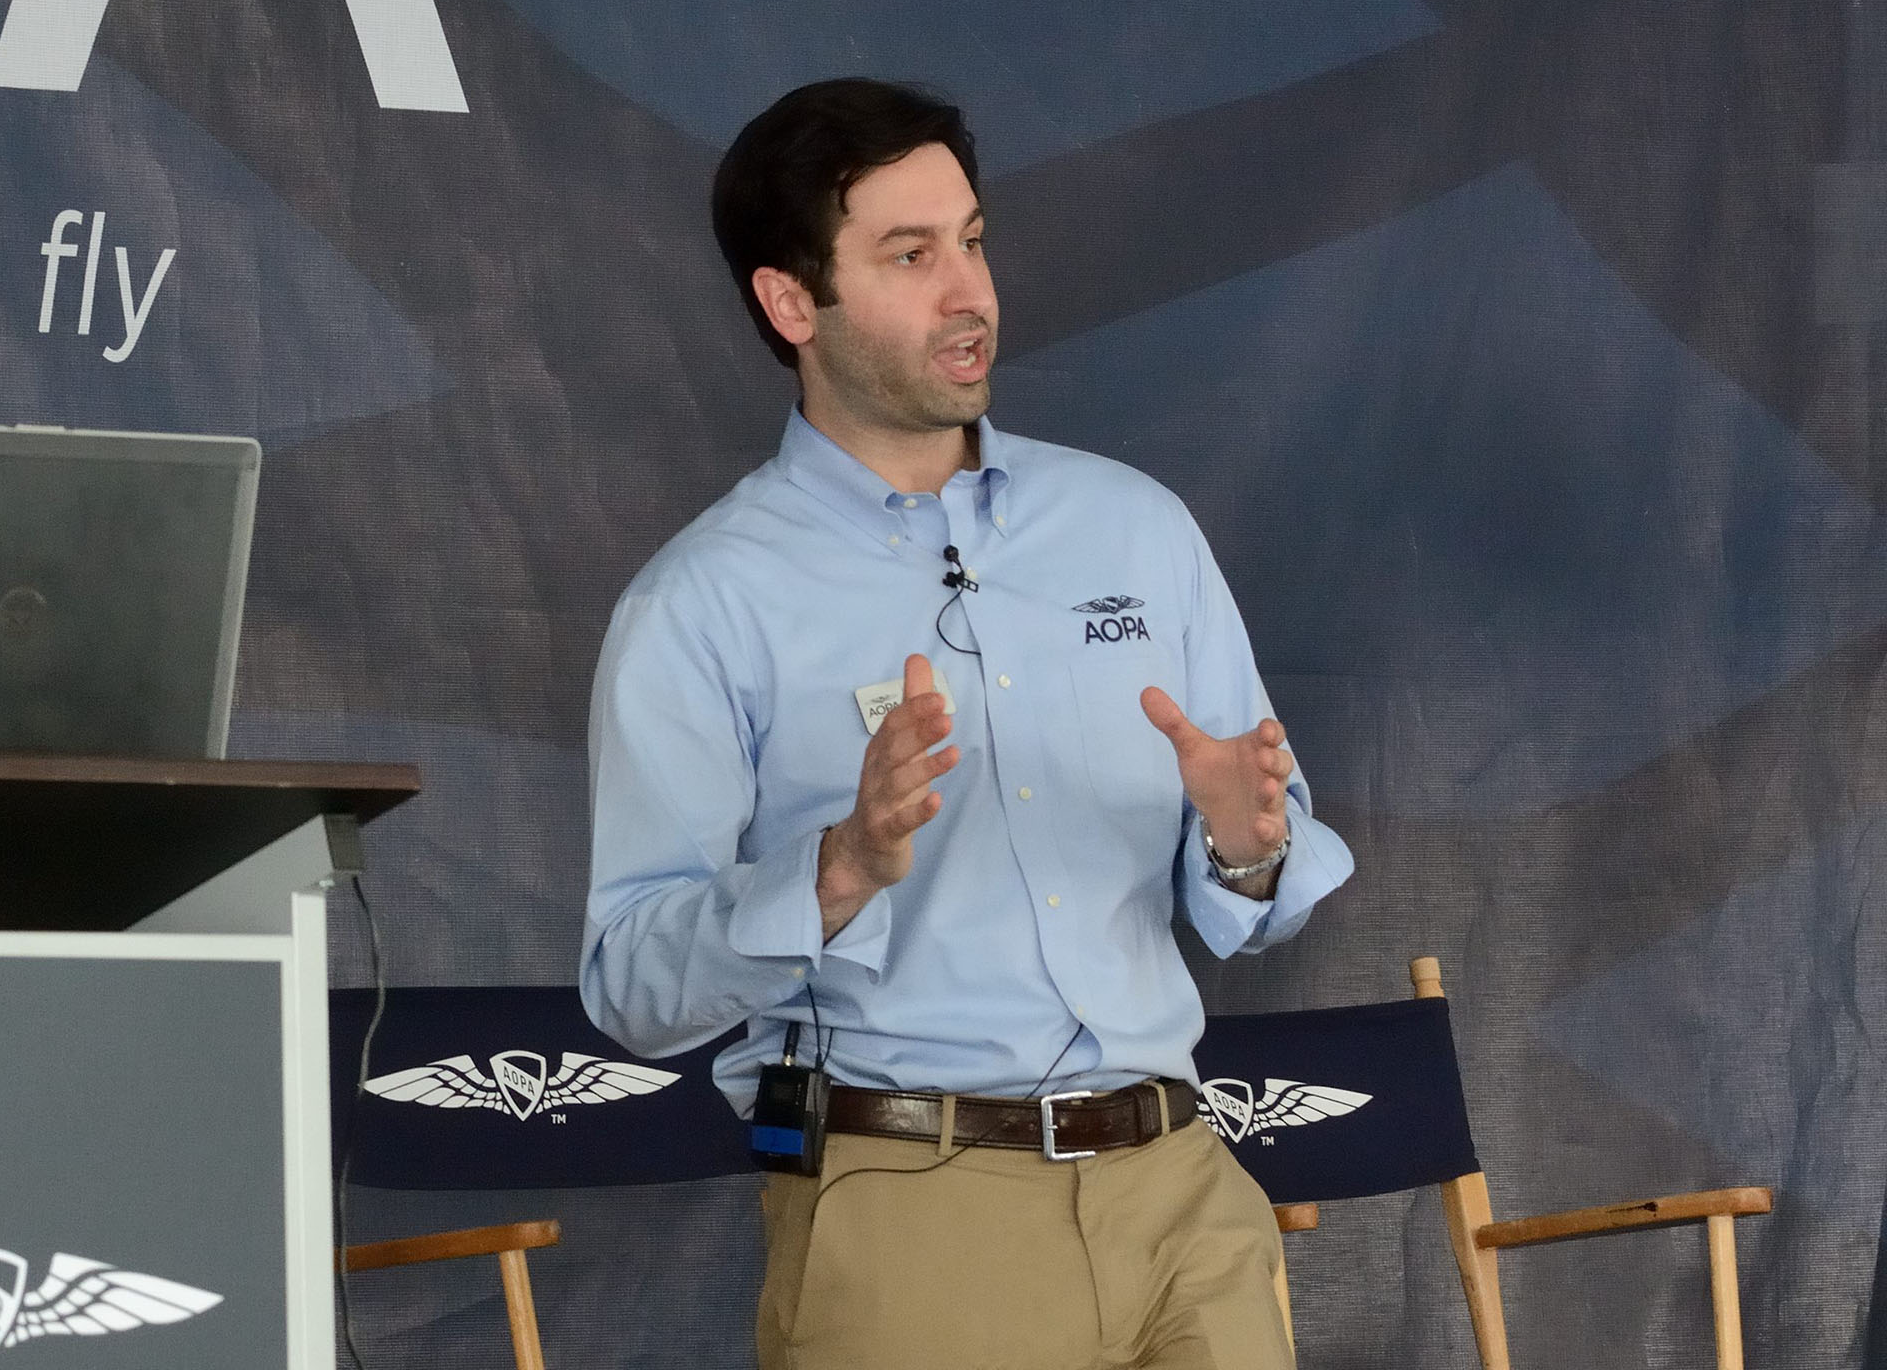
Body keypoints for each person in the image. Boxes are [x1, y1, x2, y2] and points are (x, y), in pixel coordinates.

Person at [580, 79, 1354, 1370]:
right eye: (910, 254)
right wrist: (833, 873)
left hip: (1182, 1198)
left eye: (974, 240)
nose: (969, 292)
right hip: (911, 1211)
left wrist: (1244, 841)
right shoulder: (701, 605)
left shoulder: (1137, 531)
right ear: (790, 303)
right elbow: (629, 982)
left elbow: (1255, 876)